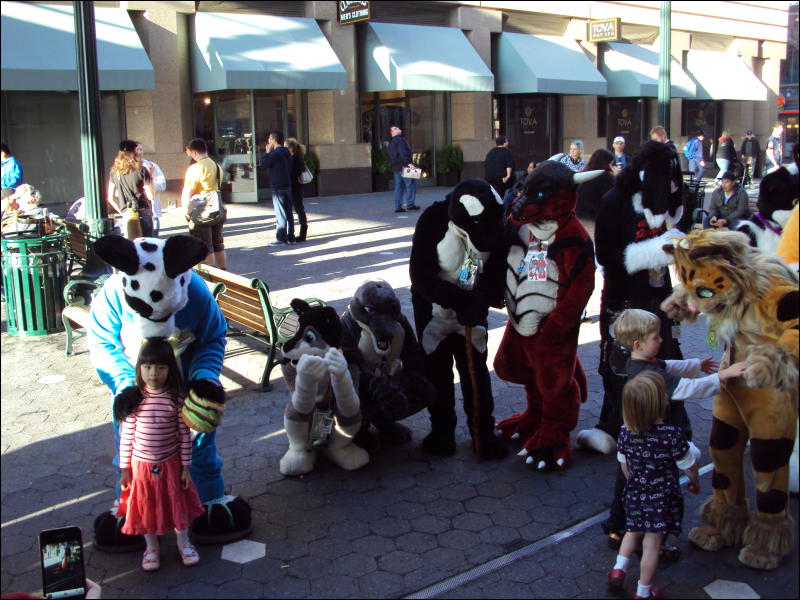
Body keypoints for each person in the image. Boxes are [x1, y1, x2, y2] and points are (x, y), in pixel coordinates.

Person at [600, 309, 746, 553]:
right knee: (655, 494)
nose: (661, 340)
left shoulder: (639, 361)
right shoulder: (650, 374)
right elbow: (687, 388)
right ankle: (653, 543)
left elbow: (668, 366)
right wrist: (724, 376)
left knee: (627, 485)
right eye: (656, 337)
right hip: (653, 442)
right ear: (638, 343)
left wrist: (695, 365)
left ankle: (619, 529)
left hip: (633, 439)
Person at [605, 371, 701, 600]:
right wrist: (694, 481)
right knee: (651, 544)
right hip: (661, 497)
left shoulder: (626, 432)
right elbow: (688, 465)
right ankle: (644, 591)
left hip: (635, 493)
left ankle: (618, 570)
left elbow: (624, 465)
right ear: (661, 403)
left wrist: (634, 484)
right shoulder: (671, 435)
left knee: (632, 530)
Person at [115, 338, 205, 571]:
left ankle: (184, 544)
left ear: (170, 370)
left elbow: (184, 435)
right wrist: (125, 469)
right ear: (140, 368)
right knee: (145, 506)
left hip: (171, 463)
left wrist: (186, 467)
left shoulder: (176, 400)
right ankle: (151, 548)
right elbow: (126, 436)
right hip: (141, 466)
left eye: (160, 367)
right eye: (148, 367)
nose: (153, 373)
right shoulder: (134, 400)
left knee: (177, 504)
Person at [181, 138, 227, 268]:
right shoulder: (217, 166)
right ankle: (223, 271)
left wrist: (186, 210)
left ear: (194, 152)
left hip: (202, 210)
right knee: (218, 243)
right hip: (218, 206)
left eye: (189, 153)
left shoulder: (195, 168)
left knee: (205, 245)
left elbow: (187, 191)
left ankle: (209, 276)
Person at [107, 145, 155, 238]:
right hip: (142, 211)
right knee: (147, 245)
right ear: (133, 153)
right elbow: (151, 196)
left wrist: (123, 211)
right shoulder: (141, 170)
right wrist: (151, 176)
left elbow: (111, 198)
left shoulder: (114, 172)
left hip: (127, 215)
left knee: (131, 245)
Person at [124, 140, 167, 237]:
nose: (139, 152)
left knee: (152, 238)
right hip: (135, 209)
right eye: (137, 150)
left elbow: (162, 184)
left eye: (141, 149)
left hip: (151, 208)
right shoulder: (126, 169)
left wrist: (147, 185)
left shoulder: (151, 166)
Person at [260, 130, 295, 245]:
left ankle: (281, 238)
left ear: (274, 140)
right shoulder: (286, 152)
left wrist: (267, 152)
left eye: (270, 139)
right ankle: (291, 237)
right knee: (288, 212)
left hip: (278, 187)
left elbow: (264, 164)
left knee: (280, 213)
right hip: (287, 185)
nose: (268, 141)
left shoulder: (276, 153)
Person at [576, 149, 615, 220]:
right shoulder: (606, 178)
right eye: (611, 164)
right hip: (597, 218)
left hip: (580, 217)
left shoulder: (583, 174)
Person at [388, 125, 419, 213]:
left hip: (396, 167)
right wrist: (409, 163)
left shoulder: (391, 142)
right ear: (392, 132)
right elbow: (403, 152)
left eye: (397, 127)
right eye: (395, 128)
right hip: (404, 166)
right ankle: (410, 205)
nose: (398, 128)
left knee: (398, 187)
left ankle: (398, 207)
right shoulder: (400, 140)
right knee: (411, 185)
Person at [285, 138, 308, 242]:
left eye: (285, 147)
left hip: (296, 188)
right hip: (296, 187)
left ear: (290, 148)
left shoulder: (296, 158)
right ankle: (301, 233)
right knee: (299, 210)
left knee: (299, 210)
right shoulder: (295, 157)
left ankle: (302, 235)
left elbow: (297, 172)